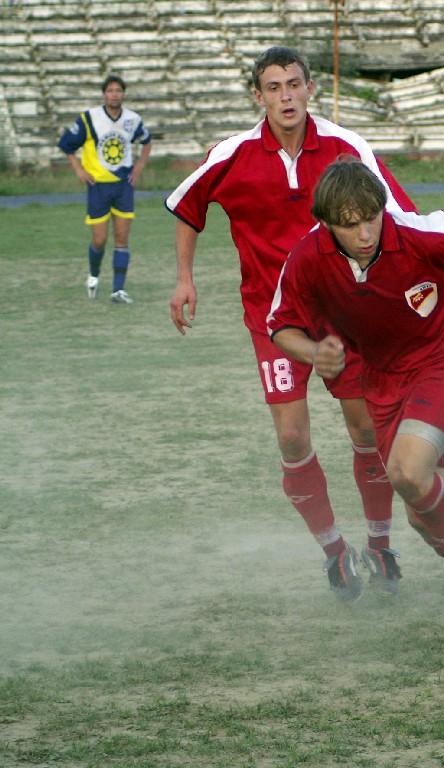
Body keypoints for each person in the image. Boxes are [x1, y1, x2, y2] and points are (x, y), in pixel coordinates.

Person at [166, 47, 416, 600]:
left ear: (309, 89)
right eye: (274, 87)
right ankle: (334, 554)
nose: (286, 96)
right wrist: (184, 278)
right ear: (258, 96)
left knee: (365, 432)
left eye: (294, 84)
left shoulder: (347, 147)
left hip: (344, 316)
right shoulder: (231, 154)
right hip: (272, 320)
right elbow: (187, 207)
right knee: (292, 435)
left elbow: (399, 215)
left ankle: (379, 545)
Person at [267, 157, 444, 627]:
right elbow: (279, 324)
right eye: (349, 225)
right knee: (421, 512)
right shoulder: (309, 257)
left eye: (371, 218)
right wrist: (313, 351)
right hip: (384, 381)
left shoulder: (423, 235)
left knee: (407, 472)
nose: (365, 234)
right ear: (326, 224)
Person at [58, 74, 152, 304]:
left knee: (122, 238)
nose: (114, 95)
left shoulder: (132, 119)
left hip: (123, 186)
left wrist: (139, 166)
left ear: (123, 94)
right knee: (99, 240)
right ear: (104, 94)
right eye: (110, 91)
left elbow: (147, 141)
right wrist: (79, 170)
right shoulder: (89, 118)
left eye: (118, 90)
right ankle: (93, 276)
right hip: (98, 186)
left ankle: (118, 290)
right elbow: (66, 145)